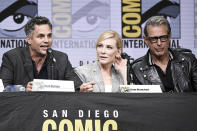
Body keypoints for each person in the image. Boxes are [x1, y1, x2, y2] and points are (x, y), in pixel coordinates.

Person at [0, 16, 82, 91]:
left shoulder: (61, 58)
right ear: (29, 39)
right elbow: (4, 88)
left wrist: (81, 88)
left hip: (51, 106)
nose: (47, 40)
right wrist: (23, 88)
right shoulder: (12, 57)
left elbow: (75, 85)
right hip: (22, 105)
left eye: (49, 36)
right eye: (41, 36)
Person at [131, 16, 197, 92]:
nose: (159, 43)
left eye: (163, 38)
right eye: (154, 39)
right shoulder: (136, 69)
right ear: (146, 40)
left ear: (169, 37)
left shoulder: (188, 60)